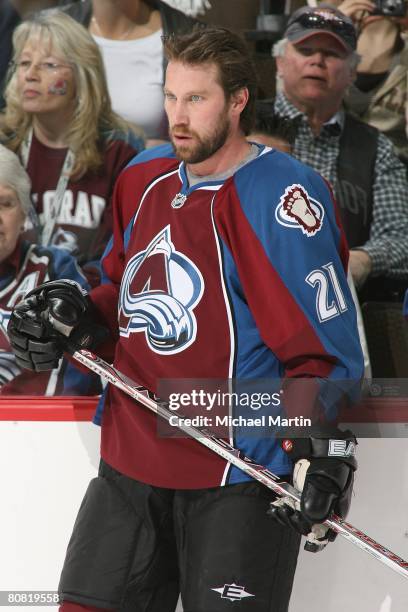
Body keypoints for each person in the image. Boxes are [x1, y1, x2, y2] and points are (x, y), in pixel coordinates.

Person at [8, 26, 363, 612]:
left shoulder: (282, 197)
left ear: (238, 101)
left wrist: (317, 446)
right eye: (171, 97)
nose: (178, 116)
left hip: (239, 468)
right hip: (130, 458)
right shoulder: (142, 178)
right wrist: (74, 315)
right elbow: (121, 288)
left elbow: (322, 350)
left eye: (196, 99)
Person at [268, 4, 408, 294]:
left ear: (353, 71)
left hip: (339, 305)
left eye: (332, 54)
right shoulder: (244, 127)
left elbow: (401, 237)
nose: (317, 61)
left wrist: (362, 261)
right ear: (280, 61)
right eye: (306, 51)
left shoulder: (376, 147)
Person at [0, 10, 143, 282]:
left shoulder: (118, 153)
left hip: (82, 304)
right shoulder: (5, 147)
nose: (31, 74)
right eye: (24, 63)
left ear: (82, 76)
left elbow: (117, 259)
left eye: (49, 65)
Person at [0, 143, 100, 395]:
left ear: (24, 215)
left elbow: (92, 350)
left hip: (51, 427)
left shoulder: (55, 269)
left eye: (5, 203)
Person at [56, 0, 200, 144]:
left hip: (152, 164)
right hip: (72, 162)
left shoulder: (189, 37)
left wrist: (165, 151)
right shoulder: (51, 31)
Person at [329, 0, 408, 161]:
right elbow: (289, 108)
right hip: (328, 160)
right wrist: (329, 30)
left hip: (394, 167)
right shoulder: (330, 44)